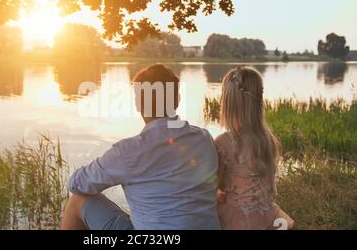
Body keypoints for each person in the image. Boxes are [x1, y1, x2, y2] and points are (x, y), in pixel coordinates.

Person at [60, 64, 221, 230]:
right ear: (177, 101)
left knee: (77, 200)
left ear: (138, 104)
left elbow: (77, 184)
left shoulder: (128, 152)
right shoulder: (204, 138)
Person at [215, 66, 294, 230]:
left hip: (234, 219)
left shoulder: (223, 143)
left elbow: (215, 186)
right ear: (258, 101)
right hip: (266, 215)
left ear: (228, 103)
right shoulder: (267, 139)